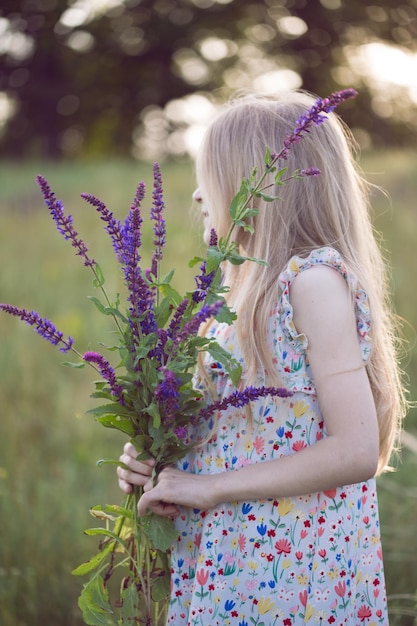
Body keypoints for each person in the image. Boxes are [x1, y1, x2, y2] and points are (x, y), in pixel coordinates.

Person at [117, 91, 407, 625]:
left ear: (260, 183)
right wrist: (162, 466)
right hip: (229, 559)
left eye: (213, 176)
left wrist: (208, 488)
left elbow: (356, 449)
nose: (200, 196)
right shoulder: (233, 295)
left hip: (294, 568)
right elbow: (234, 431)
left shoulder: (312, 282)